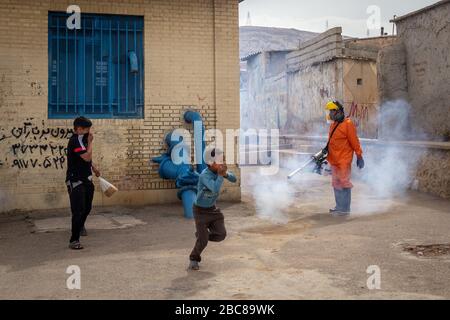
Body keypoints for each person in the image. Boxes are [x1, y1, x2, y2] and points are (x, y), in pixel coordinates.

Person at [188, 148, 237, 270]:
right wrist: (221, 175)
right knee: (203, 242)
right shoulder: (205, 176)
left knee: (221, 235)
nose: (222, 163)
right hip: (200, 211)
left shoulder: (218, 172)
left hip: (213, 210)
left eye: (223, 160)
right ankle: (194, 259)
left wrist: (225, 174)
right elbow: (214, 189)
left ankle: (201, 235)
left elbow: (234, 179)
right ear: (210, 163)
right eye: (219, 161)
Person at [66, 116, 100, 250]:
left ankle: (80, 226)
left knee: (87, 207)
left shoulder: (83, 139)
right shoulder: (74, 141)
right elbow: (86, 156)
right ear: (79, 129)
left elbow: (86, 160)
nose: (89, 131)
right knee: (78, 210)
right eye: (87, 129)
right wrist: (91, 142)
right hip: (75, 180)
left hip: (87, 178)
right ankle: (74, 240)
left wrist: (94, 168)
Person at [325, 101, 365, 216]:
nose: (329, 114)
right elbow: (331, 141)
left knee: (344, 182)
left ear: (337, 111)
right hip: (334, 159)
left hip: (344, 159)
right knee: (335, 182)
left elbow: (354, 141)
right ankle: (339, 206)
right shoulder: (333, 124)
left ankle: (345, 209)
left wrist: (359, 155)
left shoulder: (348, 124)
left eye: (331, 111)